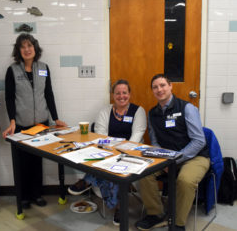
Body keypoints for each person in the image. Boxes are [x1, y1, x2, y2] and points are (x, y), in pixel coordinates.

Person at [135, 74, 210, 231]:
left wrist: (175, 160)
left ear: (170, 86)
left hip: (195, 157)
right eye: (155, 87)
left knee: (185, 180)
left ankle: (177, 222)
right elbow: (155, 141)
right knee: (144, 172)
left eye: (162, 85)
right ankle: (156, 214)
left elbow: (199, 141)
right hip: (167, 157)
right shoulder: (152, 113)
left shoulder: (187, 108)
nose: (159, 89)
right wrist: (162, 159)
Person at [68, 79, 147, 225]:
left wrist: (119, 151)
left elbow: (136, 137)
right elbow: (100, 136)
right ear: (112, 95)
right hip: (108, 152)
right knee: (109, 167)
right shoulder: (105, 111)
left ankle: (89, 181)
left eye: (124, 92)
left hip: (131, 154)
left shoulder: (138, 111)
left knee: (114, 169)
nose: (121, 96)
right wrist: (112, 151)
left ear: (129, 94)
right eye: (117, 93)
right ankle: (119, 207)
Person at [2, 33, 67, 209]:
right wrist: (12, 120)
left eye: (29, 45)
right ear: (19, 50)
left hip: (41, 124)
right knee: (22, 162)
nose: (27, 49)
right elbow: (8, 98)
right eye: (23, 46)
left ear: (35, 48)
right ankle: (23, 197)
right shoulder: (13, 70)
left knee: (37, 161)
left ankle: (37, 194)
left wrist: (56, 118)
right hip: (21, 125)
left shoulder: (43, 67)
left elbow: (48, 94)